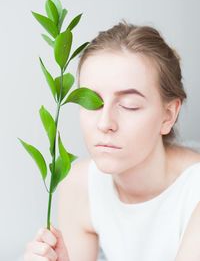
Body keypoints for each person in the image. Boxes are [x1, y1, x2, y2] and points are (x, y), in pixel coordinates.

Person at [23, 20, 200, 261]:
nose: (105, 123)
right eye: (91, 103)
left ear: (168, 115)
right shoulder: (79, 184)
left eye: (129, 105)